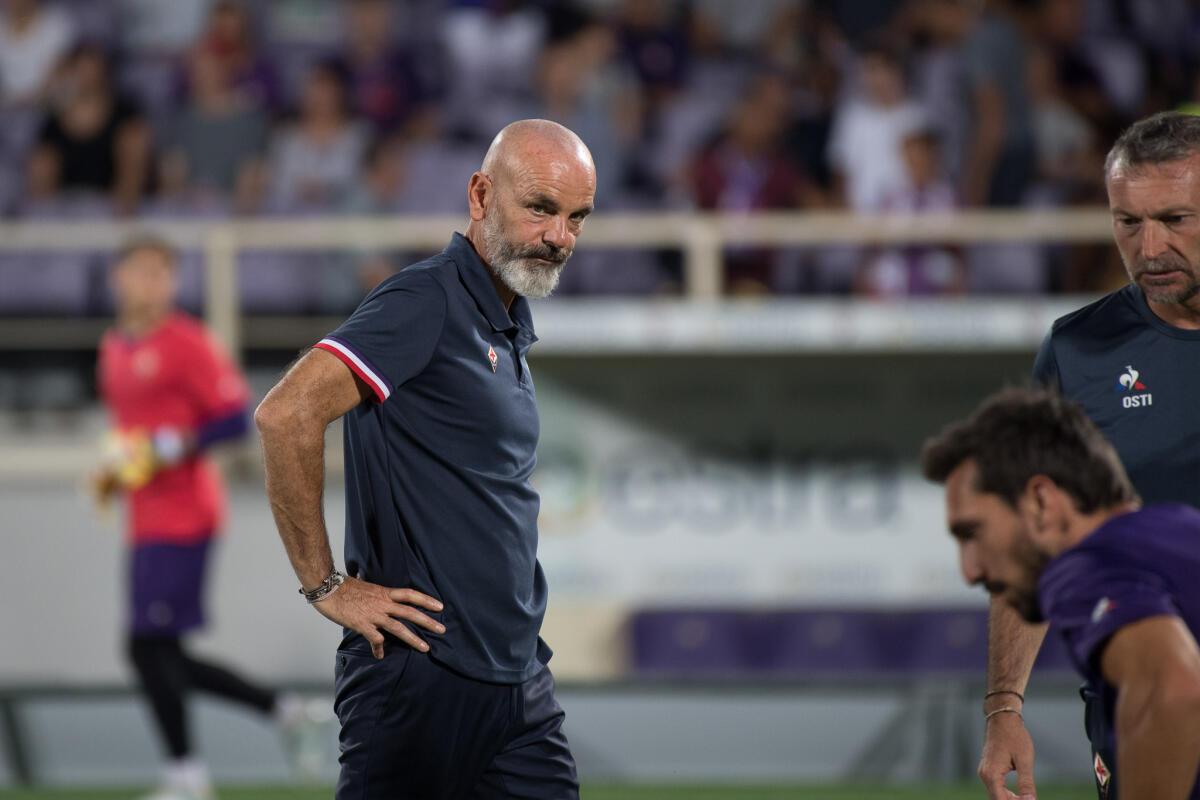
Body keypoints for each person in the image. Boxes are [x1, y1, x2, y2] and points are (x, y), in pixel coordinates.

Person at [254, 118, 595, 799]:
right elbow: (284, 415)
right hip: (419, 680)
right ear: (479, 196)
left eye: (577, 218)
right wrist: (326, 587)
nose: (560, 237)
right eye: (541, 209)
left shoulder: (504, 319)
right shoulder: (427, 299)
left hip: (517, 684)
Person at [981, 109, 1200, 800]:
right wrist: (1004, 707)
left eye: (1175, 218)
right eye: (1127, 222)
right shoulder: (1077, 353)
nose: (1150, 246)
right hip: (1146, 700)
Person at [95, 238, 320, 800]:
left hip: (186, 514)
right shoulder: (113, 349)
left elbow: (233, 420)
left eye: (163, 274)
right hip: (145, 516)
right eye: (143, 272)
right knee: (158, 649)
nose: (153, 283)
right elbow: (132, 434)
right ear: (116, 278)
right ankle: (283, 712)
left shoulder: (188, 343)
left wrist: (168, 450)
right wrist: (115, 471)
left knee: (147, 645)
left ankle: (187, 775)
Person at [922, 387, 1200, 799]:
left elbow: (1174, 686)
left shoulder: (1084, 565)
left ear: (1040, 501)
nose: (970, 570)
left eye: (973, 533)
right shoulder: (1178, 528)